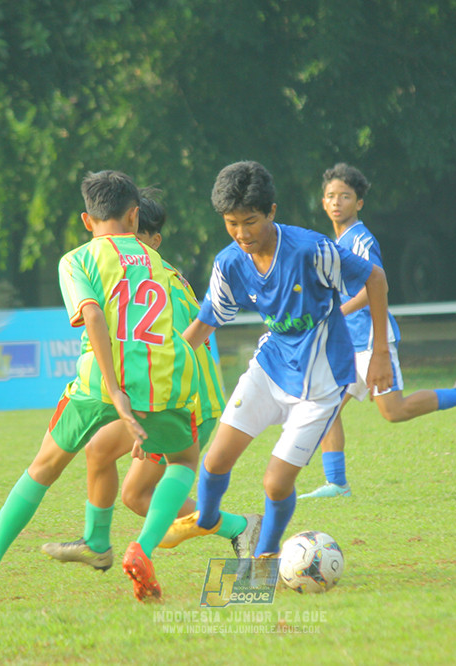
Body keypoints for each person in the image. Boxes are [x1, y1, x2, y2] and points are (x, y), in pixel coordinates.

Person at [0, 170, 199, 602]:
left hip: (98, 384)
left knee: (43, 467)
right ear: (135, 214)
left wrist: (116, 391)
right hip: (162, 383)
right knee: (164, 463)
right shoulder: (161, 264)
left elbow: (94, 316)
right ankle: (108, 544)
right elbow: (187, 332)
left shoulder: (78, 259)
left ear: (88, 220)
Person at [159, 160, 392, 567]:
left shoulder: (309, 249)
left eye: (250, 221)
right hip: (270, 368)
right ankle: (207, 520)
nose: (242, 233)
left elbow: (375, 279)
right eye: (231, 223)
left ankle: (265, 555)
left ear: (271, 211)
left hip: (322, 383)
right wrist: (162, 372)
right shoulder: (230, 262)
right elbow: (204, 324)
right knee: (214, 462)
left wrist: (380, 354)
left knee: (275, 482)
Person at [39, 191, 247, 566]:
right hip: (159, 392)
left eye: (134, 240)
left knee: (137, 495)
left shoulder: (161, 280)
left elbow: (182, 352)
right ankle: (97, 542)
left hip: (186, 399)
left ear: (152, 240)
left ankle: (239, 526)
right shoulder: (138, 275)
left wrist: (156, 415)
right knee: (102, 454)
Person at [300, 163, 456, 499]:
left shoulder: (361, 239)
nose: (337, 202)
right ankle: (336, 483)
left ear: (359, 203)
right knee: (324, 405)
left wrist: (338, 311)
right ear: (322, 202)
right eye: (331, 196)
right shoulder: (333, 243)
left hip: (372, 340)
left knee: (395, 412)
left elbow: (376, 286)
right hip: (347, 343)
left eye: (345, 196)